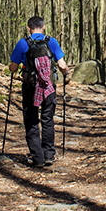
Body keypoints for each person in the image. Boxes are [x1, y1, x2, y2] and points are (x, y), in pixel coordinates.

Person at [9, 16, 70, 168]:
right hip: (49, 87)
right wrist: (66, 73)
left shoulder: (23, 43)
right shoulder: (51, 42)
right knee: (47, 119)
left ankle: (37, 158)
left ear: (29, 28)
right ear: (43, 28)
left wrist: (12, 69)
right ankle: (49, 155)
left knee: (31, 120)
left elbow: (14, 67)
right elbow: (62, 65)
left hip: (30, 86)